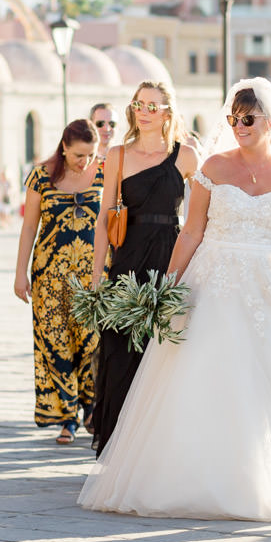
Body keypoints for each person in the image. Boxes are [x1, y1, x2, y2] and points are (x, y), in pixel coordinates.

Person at [79, 78, 271, 520]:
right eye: (234, 118)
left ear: (269, 122)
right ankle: (195, 477)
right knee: (205, 374)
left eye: (248, 119)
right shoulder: (212, 167)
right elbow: (192, 231)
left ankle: (270, 478)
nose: (239, 126)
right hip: (212, 281)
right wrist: (166, 286)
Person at [88, 81, 198, 455]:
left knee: (162, 354)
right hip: (127, 260)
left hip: (169, 259)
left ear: (168, 111)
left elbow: (202, 219)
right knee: (119, 352)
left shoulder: (187, 157)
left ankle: (157, 449)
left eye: (154, 105)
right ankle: (119, 447)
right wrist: (96, 273)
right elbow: (104, 216)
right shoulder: (117, 155)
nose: (145, 110)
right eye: (139, 104)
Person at [14, 119, 106, 444]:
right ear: (64, 147)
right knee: (57, 344)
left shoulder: (105, 173)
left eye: (91, 154)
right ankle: (67, 417)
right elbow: (28, 227)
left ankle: (92, 408)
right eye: (80, 155)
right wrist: (19, 273)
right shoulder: (41, 176)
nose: (86, 162)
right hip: (49, 277)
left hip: (94, 275)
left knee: (92, 342)